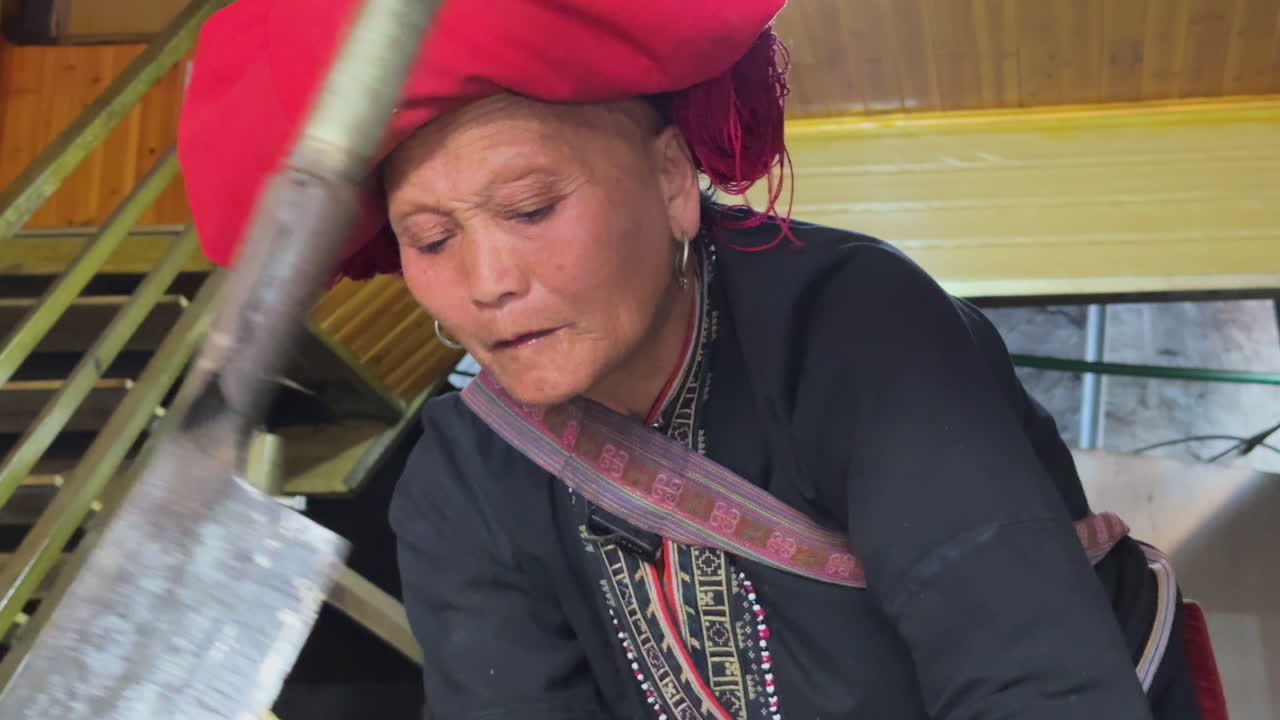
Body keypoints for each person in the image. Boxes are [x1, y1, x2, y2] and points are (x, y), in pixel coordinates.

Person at [177, 1, 1201, 718]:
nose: (486, 281)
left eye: (531, 208)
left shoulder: (851, 325)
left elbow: (1023, 673)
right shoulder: (463, 473)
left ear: (671, 180)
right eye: (432, 239)